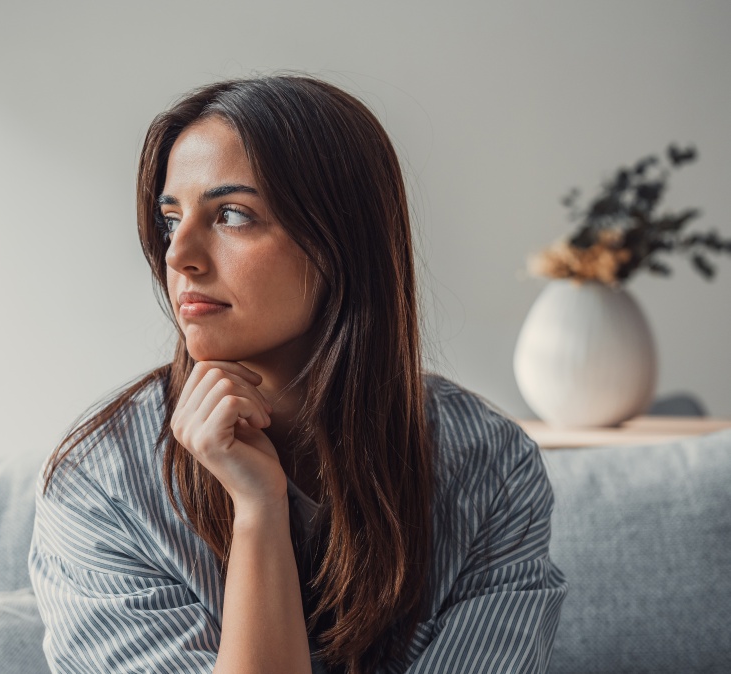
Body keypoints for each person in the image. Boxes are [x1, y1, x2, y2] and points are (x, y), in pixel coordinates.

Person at [28, 75, 567, 674]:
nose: (178, 254)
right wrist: (259, 511)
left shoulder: (488, 466)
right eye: (170, 219)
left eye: (232, 215)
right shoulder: (101, 481)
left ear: (341, 241)